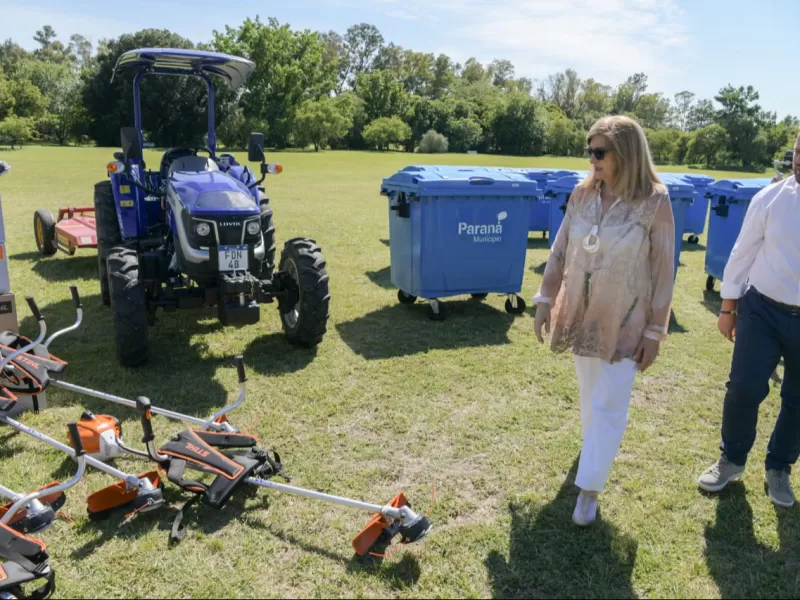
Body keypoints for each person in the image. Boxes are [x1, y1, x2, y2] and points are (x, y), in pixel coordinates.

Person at [533, 115, 675, 526]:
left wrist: (655, 331)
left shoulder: (655, 201)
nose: (591, 159)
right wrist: (545, 298)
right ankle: (592, 453)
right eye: (589, 150)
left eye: (599, 151)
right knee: (590, 396)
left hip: (628, 320)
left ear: (626, 153)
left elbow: (665, 270)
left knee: (610, 403)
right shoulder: (581, 194)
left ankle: (589, 488)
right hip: (582, 312)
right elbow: (560, 248)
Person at [697, 132, 800, 508]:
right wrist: (728, 308)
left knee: (797, 399)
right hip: (762, 309)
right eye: (798, 151)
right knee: (743, 387)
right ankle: (732, 459)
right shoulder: (770, 199)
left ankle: (779, 468)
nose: (799, 160)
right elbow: (741, 254)